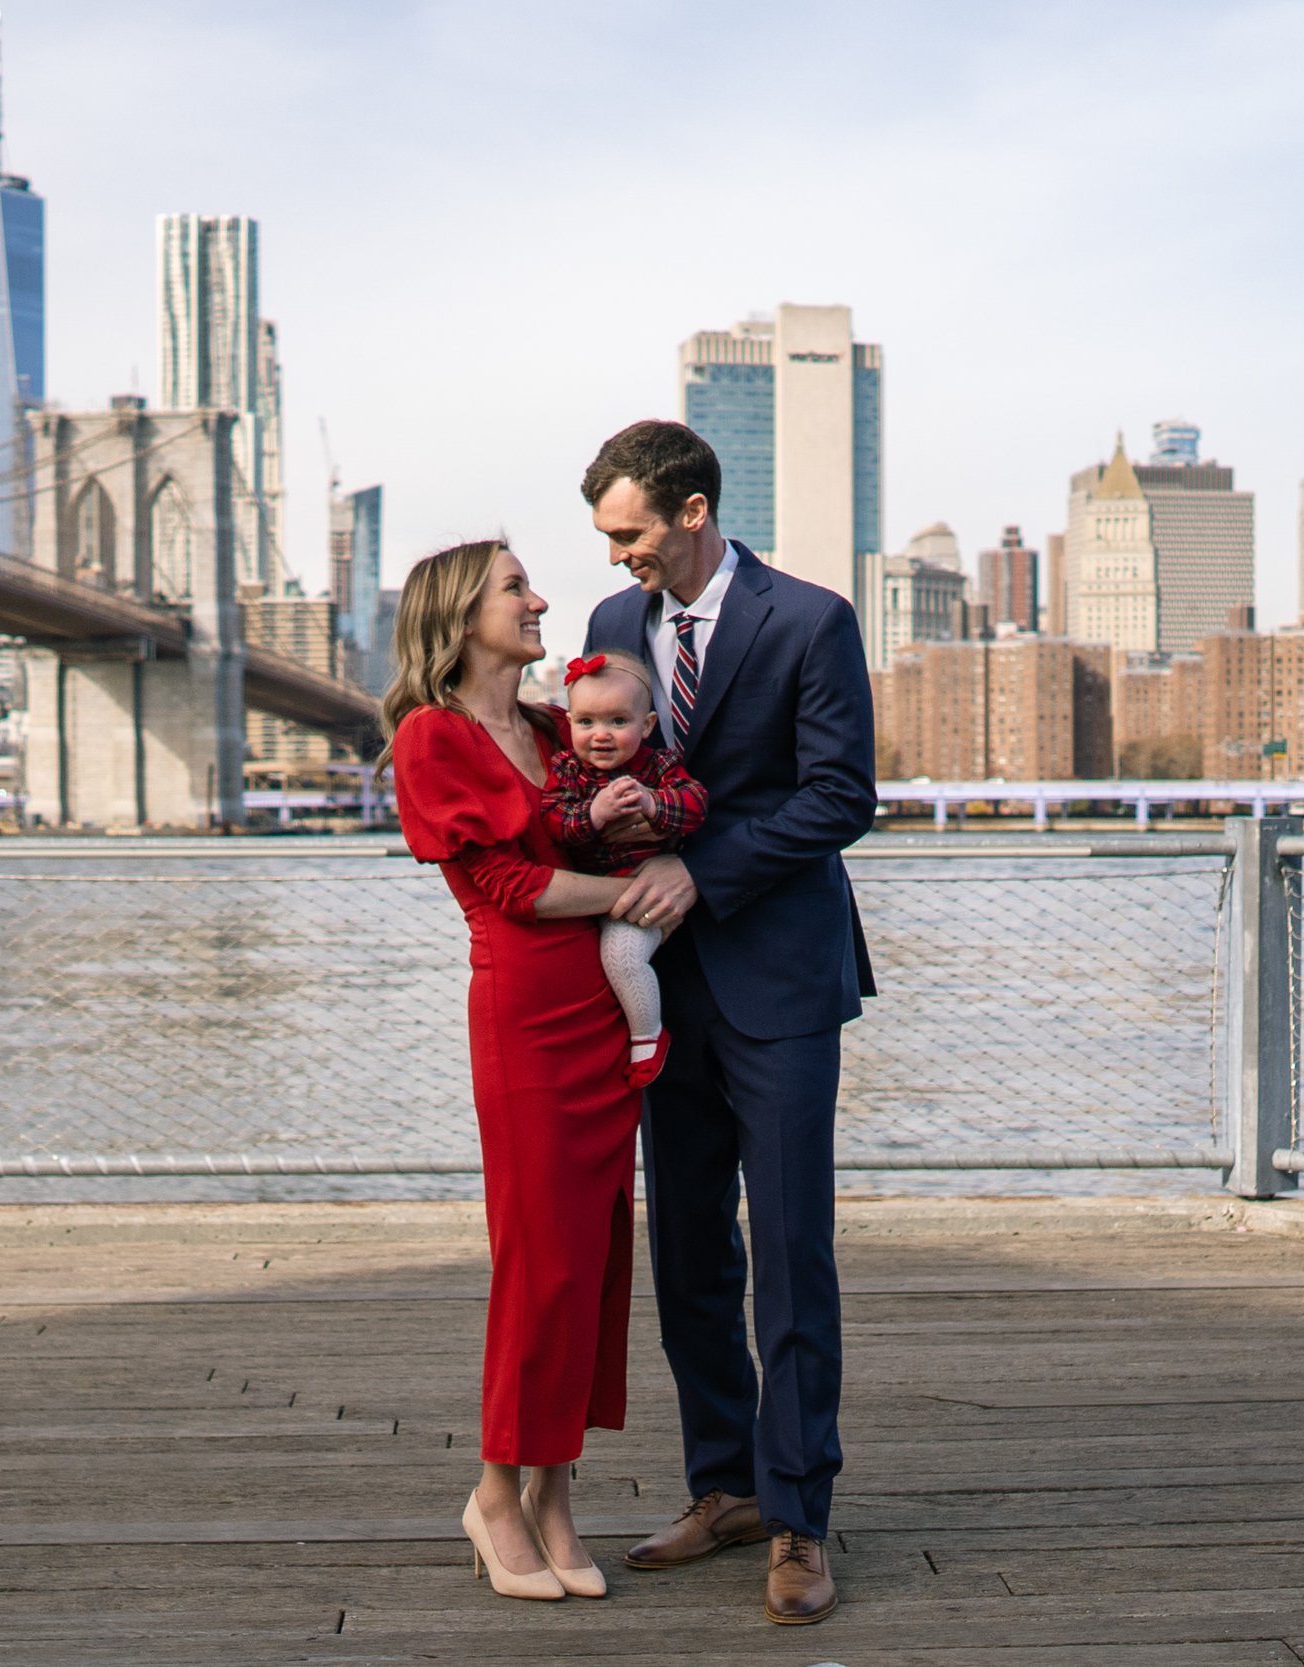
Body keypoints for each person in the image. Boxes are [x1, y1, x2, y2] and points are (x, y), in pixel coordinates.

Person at [580, 420, 876, 1627]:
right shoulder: (610, 629)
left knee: (792, 1247)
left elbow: (838, 795)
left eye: (630, 532)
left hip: (782, 974)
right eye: (606, 537)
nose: (616, 557)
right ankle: (727, 1484)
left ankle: (802, 1515)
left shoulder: (811, 619)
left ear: (692, 510)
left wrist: (708, 869)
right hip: (659, 983)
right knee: (689, 1245)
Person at [384, 539, 662, 1604]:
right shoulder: (432, 735)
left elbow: (623, 820)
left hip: (603, 1010)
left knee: (592, 1262)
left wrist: (663, 855)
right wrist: (635, 898)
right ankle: (496, 1492)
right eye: (516, 588)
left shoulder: (557, 726)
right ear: (461, 615)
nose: (540, 598)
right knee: (538, 1263)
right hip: (528, 1019)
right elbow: (506, 884)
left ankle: (554, 1491)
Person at [537, 649, 711, 1088]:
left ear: (647, 726)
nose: (601, 735)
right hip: (588, 897)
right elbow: (554, 823)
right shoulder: (567, 770)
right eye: (586, 722)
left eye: (618, 722)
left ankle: (647, 1038)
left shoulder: (659, 766)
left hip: (642, 895)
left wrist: (654, 804)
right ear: (570, 723)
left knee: (622, 956)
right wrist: (594, 814)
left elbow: (696, 805)